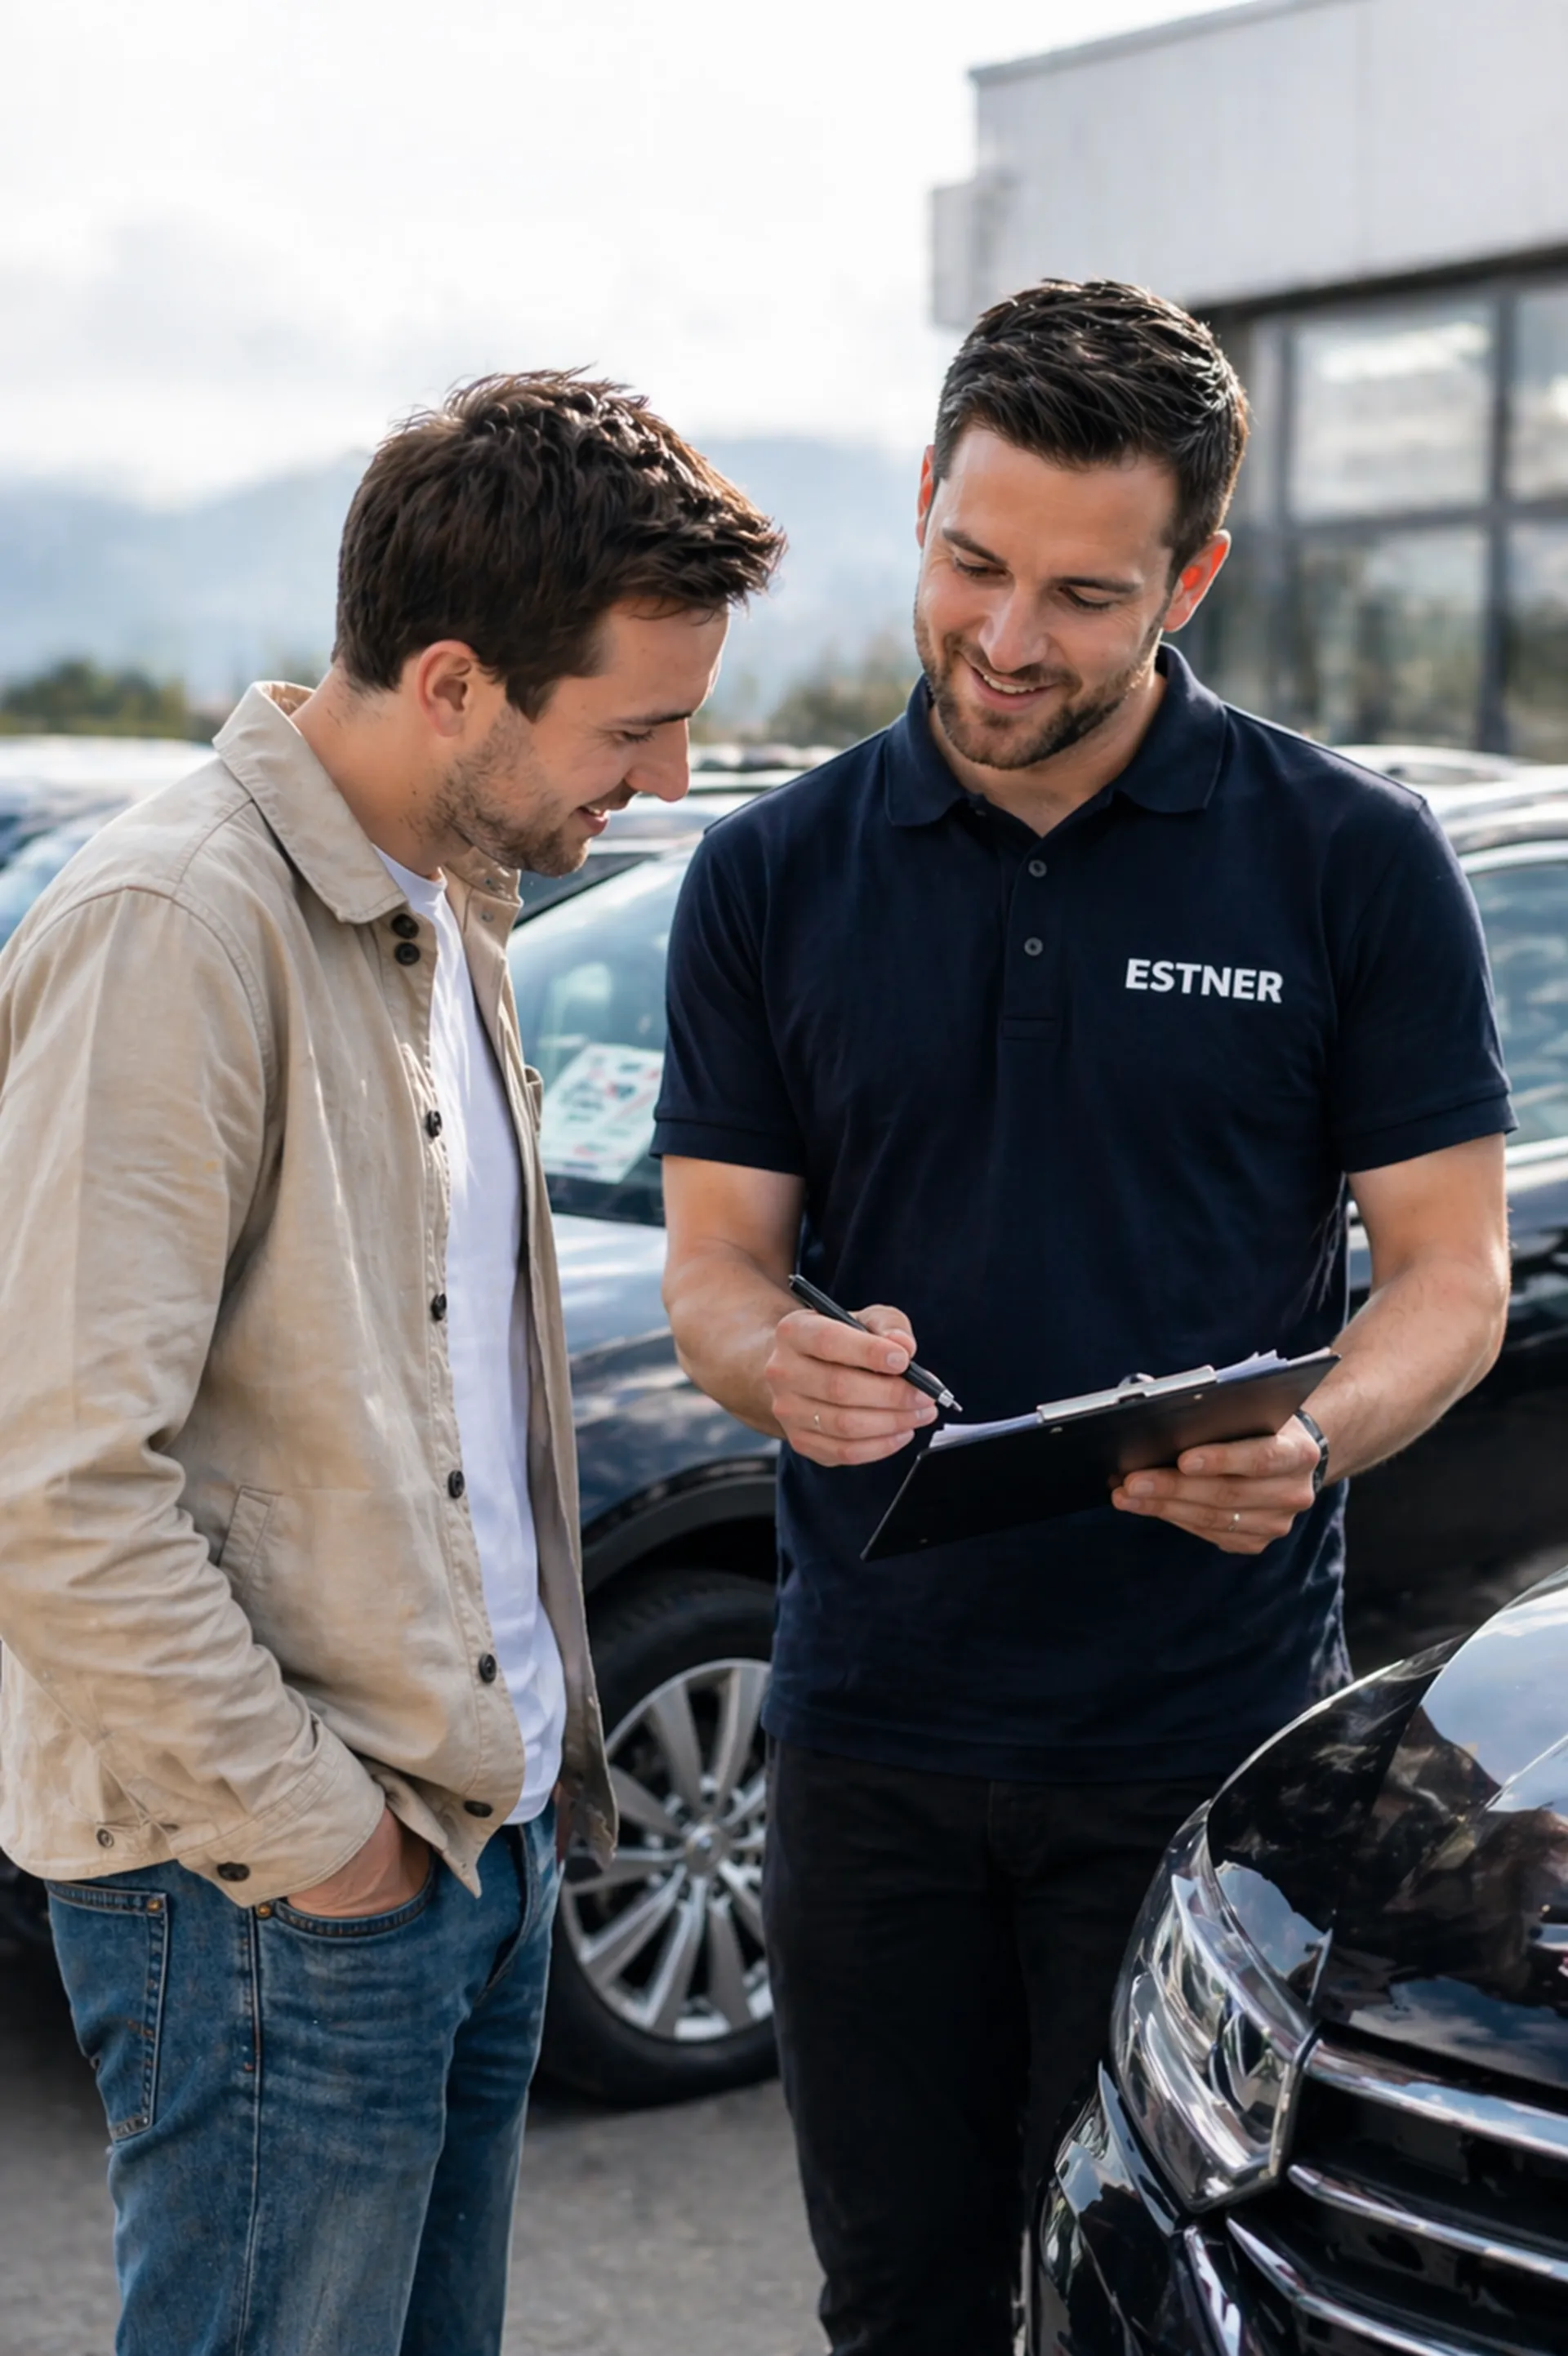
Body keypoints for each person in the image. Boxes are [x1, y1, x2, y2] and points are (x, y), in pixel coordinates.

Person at [655, 281, 1512, 2354]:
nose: (1006, 636)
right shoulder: (773, 873)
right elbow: (711, 1277)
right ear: (926, 502)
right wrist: (787, 1359)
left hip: (1200, 1746)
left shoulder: (1352, 863)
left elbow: (1451, 1277)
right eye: (969, 561)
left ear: (1193, 574)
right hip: (866, 1739)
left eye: (1082, 591)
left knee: (1150, 2310)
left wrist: (1318, 1437)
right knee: (902, 2303)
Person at [0, 372, 780, 2356]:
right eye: (635, 723)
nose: (676, 776)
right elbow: (57, 1484)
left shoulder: (449, 903)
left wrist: (486, 1819)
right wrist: (329, 1849)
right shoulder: (176, 926)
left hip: (475, 1838)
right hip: (278, 1894)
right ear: (452, 681)